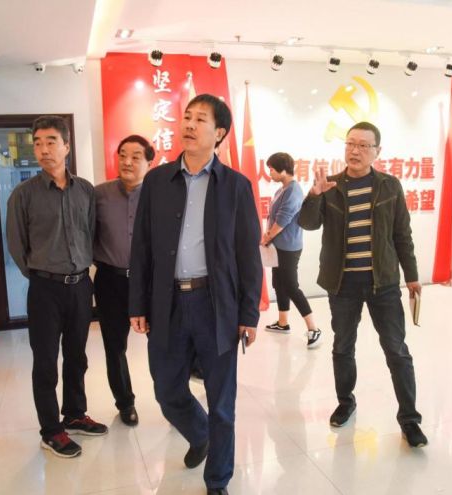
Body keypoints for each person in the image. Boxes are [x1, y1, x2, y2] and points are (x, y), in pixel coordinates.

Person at [129, 94, 262, 495]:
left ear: (219, 133)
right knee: (167, 390)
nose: (188, 124)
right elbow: (141, 247)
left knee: (222, 401)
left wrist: (249, 314)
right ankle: (200, 434)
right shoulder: (157, 181)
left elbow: (248, 255)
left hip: (215, 304)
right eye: (186, 117)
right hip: (167, 303)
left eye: (200, 119)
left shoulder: (236, 186)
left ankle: (218, 480)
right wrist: (138, 303)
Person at [298, 121, 427, 448]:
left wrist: (412, 275)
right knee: (343, 346)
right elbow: (307, 223)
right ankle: (346, 402)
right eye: (350, 144)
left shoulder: (389, 186)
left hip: (383, 283)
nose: (354, 151)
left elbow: (402, 234)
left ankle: (410, 419)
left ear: (376, 151)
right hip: (342, 284)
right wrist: (313, 195)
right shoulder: (330, 186)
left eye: (363, 145)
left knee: (397, 350)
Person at [6, 115, 105, 458]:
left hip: (80, 286)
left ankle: (75, 414)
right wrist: (41, 274)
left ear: (66, 146)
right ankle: (51, 430)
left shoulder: (85, 190)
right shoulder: (23, 194)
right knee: (46, 361)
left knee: (77, 356)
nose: (43, 149)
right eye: (37, 143)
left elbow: (91, 233)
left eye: (51, 141)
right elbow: (17, 245)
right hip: (45, 289)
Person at [92, 134, 152, 427]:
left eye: (136, 156)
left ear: (149, 162)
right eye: (123, 155)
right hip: (110, 281)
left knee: (162, 343)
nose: (127, 162)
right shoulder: (98, 195)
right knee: (115, 347)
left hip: (149, 282)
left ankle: (173, 399)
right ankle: (125, 402)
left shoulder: (158, 195)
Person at [261, 152, 321, 348]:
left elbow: (283, 219)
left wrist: (267, 237)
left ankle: (313, 328)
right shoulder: (283, 189)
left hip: (288, 247)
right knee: (279, 284)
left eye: (271, 169)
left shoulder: (293, 190)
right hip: (278, 246)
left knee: (291, 286)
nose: (269, 173)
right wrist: (269, 238)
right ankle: (283, 323)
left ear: (282, 170)